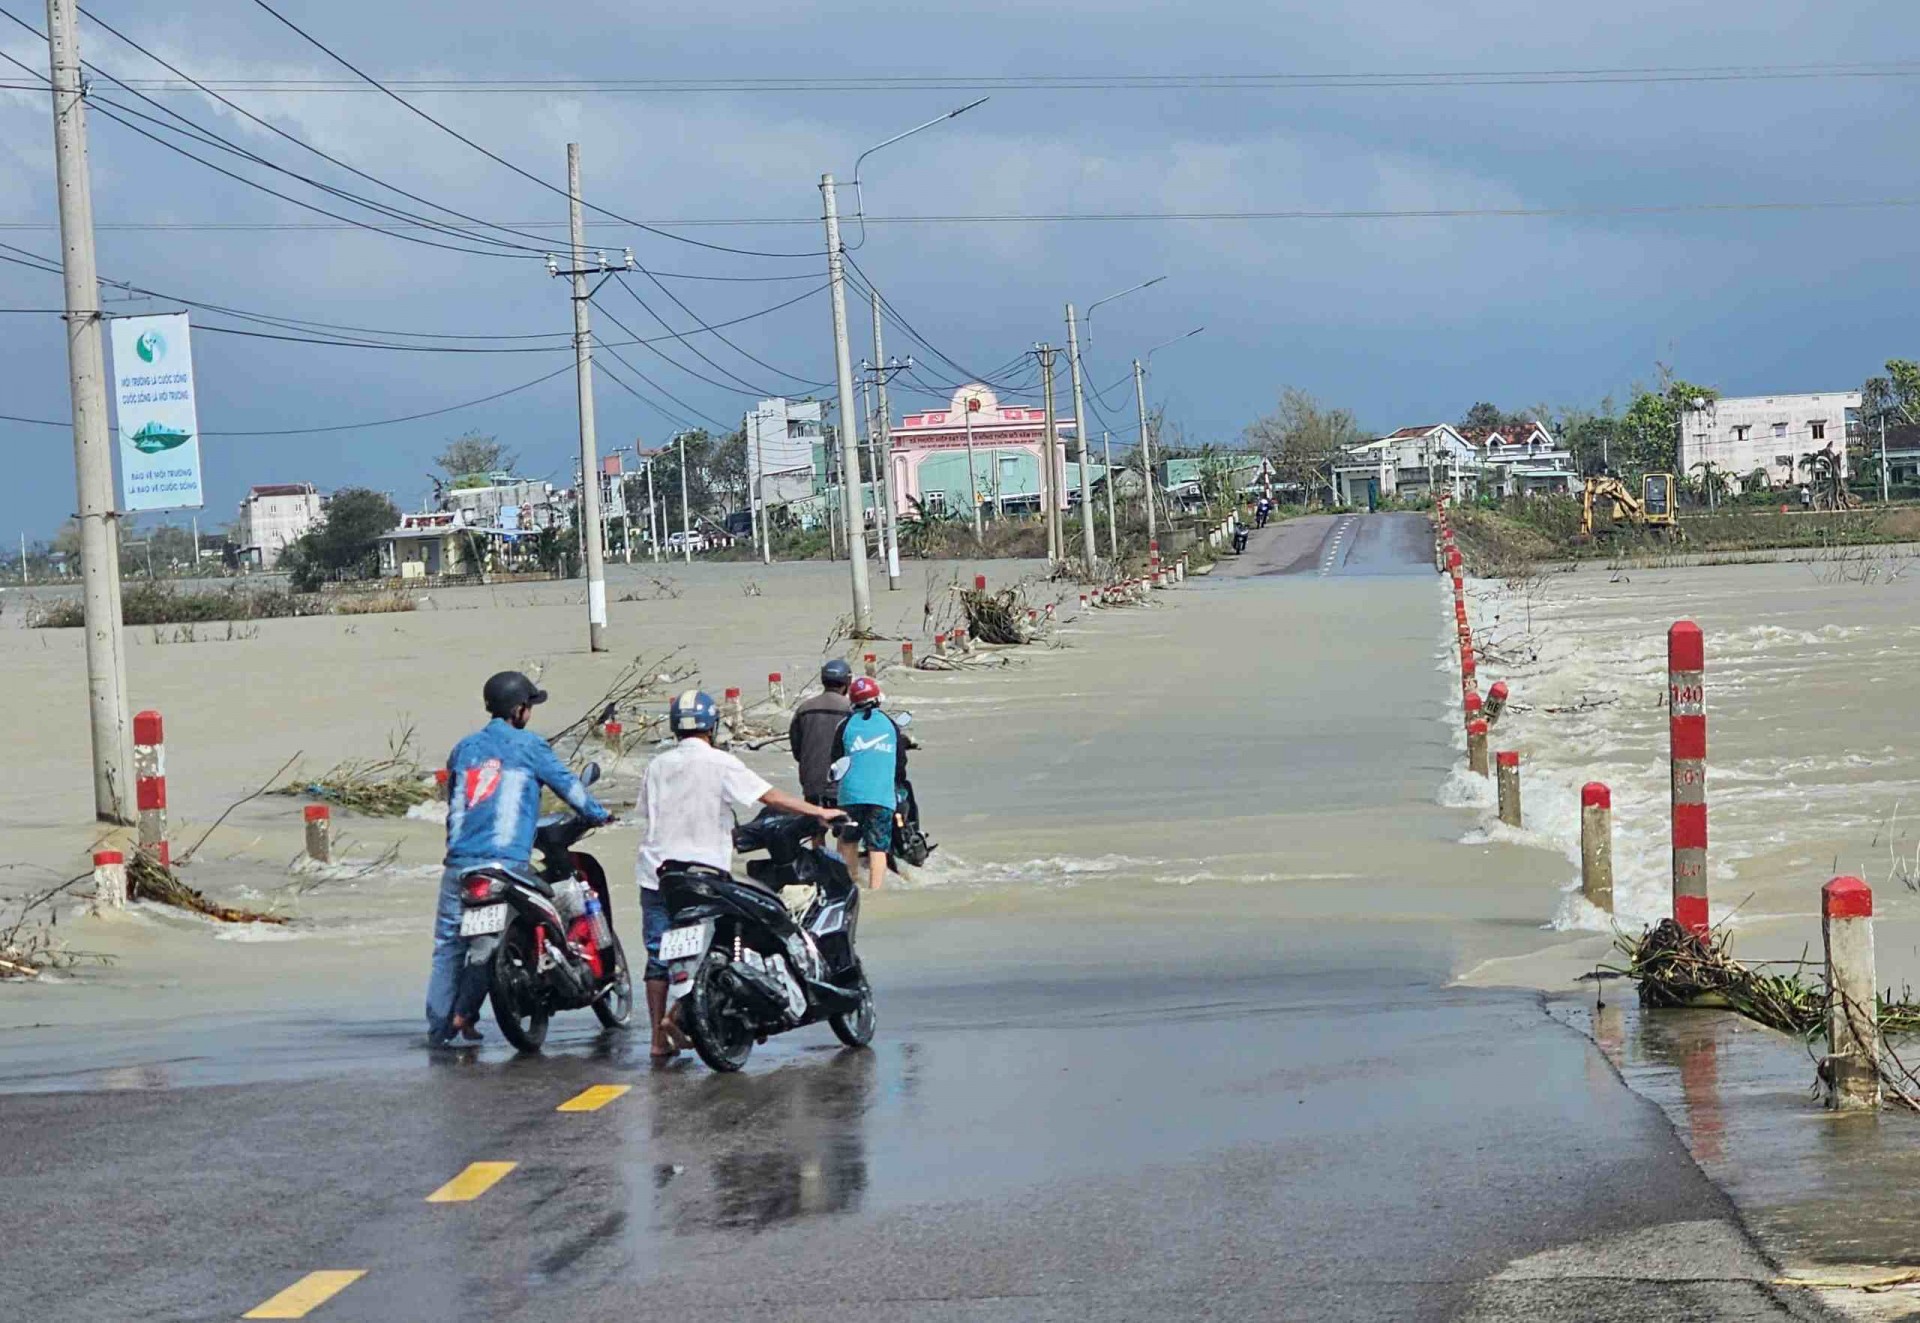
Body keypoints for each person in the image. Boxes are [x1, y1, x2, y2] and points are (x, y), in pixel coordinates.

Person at [637, 689, 843, 1059]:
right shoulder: (721, 762)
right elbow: (770, 797)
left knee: (658, 955)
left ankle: (656, 1040)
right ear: (711, 726)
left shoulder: (656, 765)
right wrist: (817, 812)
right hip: (705, 874)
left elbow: (647, 814)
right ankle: (681, 1015)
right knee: (724, 945)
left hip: (657, 874)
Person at [432, 671, 613, 1045]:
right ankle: (468, 1012)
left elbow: (457, 799)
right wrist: (599, 814)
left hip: (459, 864)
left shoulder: (463, 749)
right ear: (518, 710)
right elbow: (571, 789)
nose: (529, 713)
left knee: (448, 945)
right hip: (506, 862)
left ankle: (438, 1028)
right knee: (512, 928)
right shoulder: (530, 746)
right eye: (528, 707)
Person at [832, 676, 906, 892]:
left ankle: (851, 886)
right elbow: (900, 762)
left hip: (850, 795)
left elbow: (835, 760)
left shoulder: (845, 725)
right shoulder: (890, 724)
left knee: (848, 842)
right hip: (881, 796)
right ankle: (876, 891)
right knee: (878, 847)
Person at [790, 659, 854, 807]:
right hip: (841, 785)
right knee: (845, 827)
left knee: (812, 827)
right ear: (847, 682)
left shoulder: (804, 708)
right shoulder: (852, 710)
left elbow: (797, 750)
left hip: (811, 783)